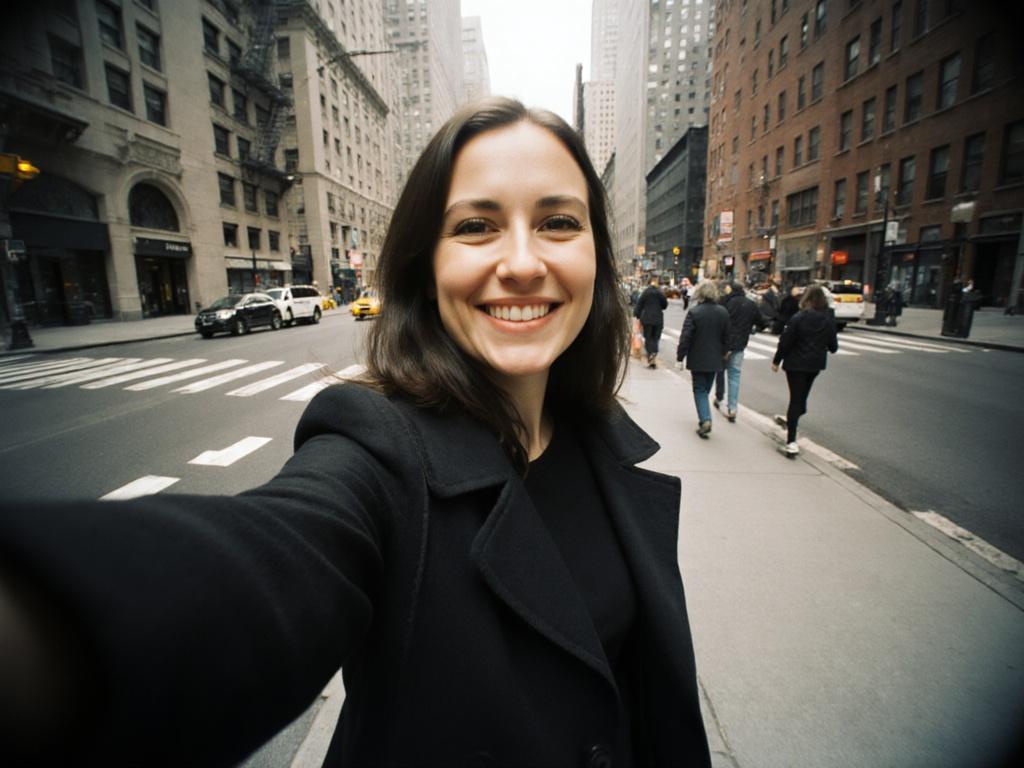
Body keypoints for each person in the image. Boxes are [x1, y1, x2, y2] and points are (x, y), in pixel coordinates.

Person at [0, 98, 711, 767]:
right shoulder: (376, 454)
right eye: (475, 226)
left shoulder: (603, 439)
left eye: (558, 222)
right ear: (424, 268)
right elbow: (257, 569)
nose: (523, 263)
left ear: (597, 257)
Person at [771, 284, 838, 457]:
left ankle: (791, 441)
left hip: (795, 364)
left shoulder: (799, 318)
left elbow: (786, 341)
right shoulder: (827, 320)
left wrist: (777, 360)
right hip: (814, 366)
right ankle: (792, 420)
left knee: (796, 400)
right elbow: (833, 347)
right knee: (801, 400)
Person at [676, 280, 730, 438]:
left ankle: (705, 419)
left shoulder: (695, 312)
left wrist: (680, 357)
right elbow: (728, 336)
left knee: (700, 390)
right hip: (715, 359)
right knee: (705, 389)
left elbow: (685, 337)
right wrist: (725, 352)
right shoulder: (723, 312)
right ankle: (704, 416)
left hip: (698, 358)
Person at [713, 281, 767, 422]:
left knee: (720, 371)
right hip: (739, 345)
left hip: (724, 344)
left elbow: (719, 322)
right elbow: (762, 322)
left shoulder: (726, 302)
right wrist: (752, 328)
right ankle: (732, 408)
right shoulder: (750, 304)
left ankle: (719, 397)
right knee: (734, 376)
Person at [633, 277, 668, 368]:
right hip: (658, 319)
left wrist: (637, 315)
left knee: (648, 337)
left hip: (647, 318)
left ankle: (650, 354)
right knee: (656, 338)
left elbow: (639, 304)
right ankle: (653, 353)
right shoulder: (660, 293)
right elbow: (665, 305)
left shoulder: (645, 292)